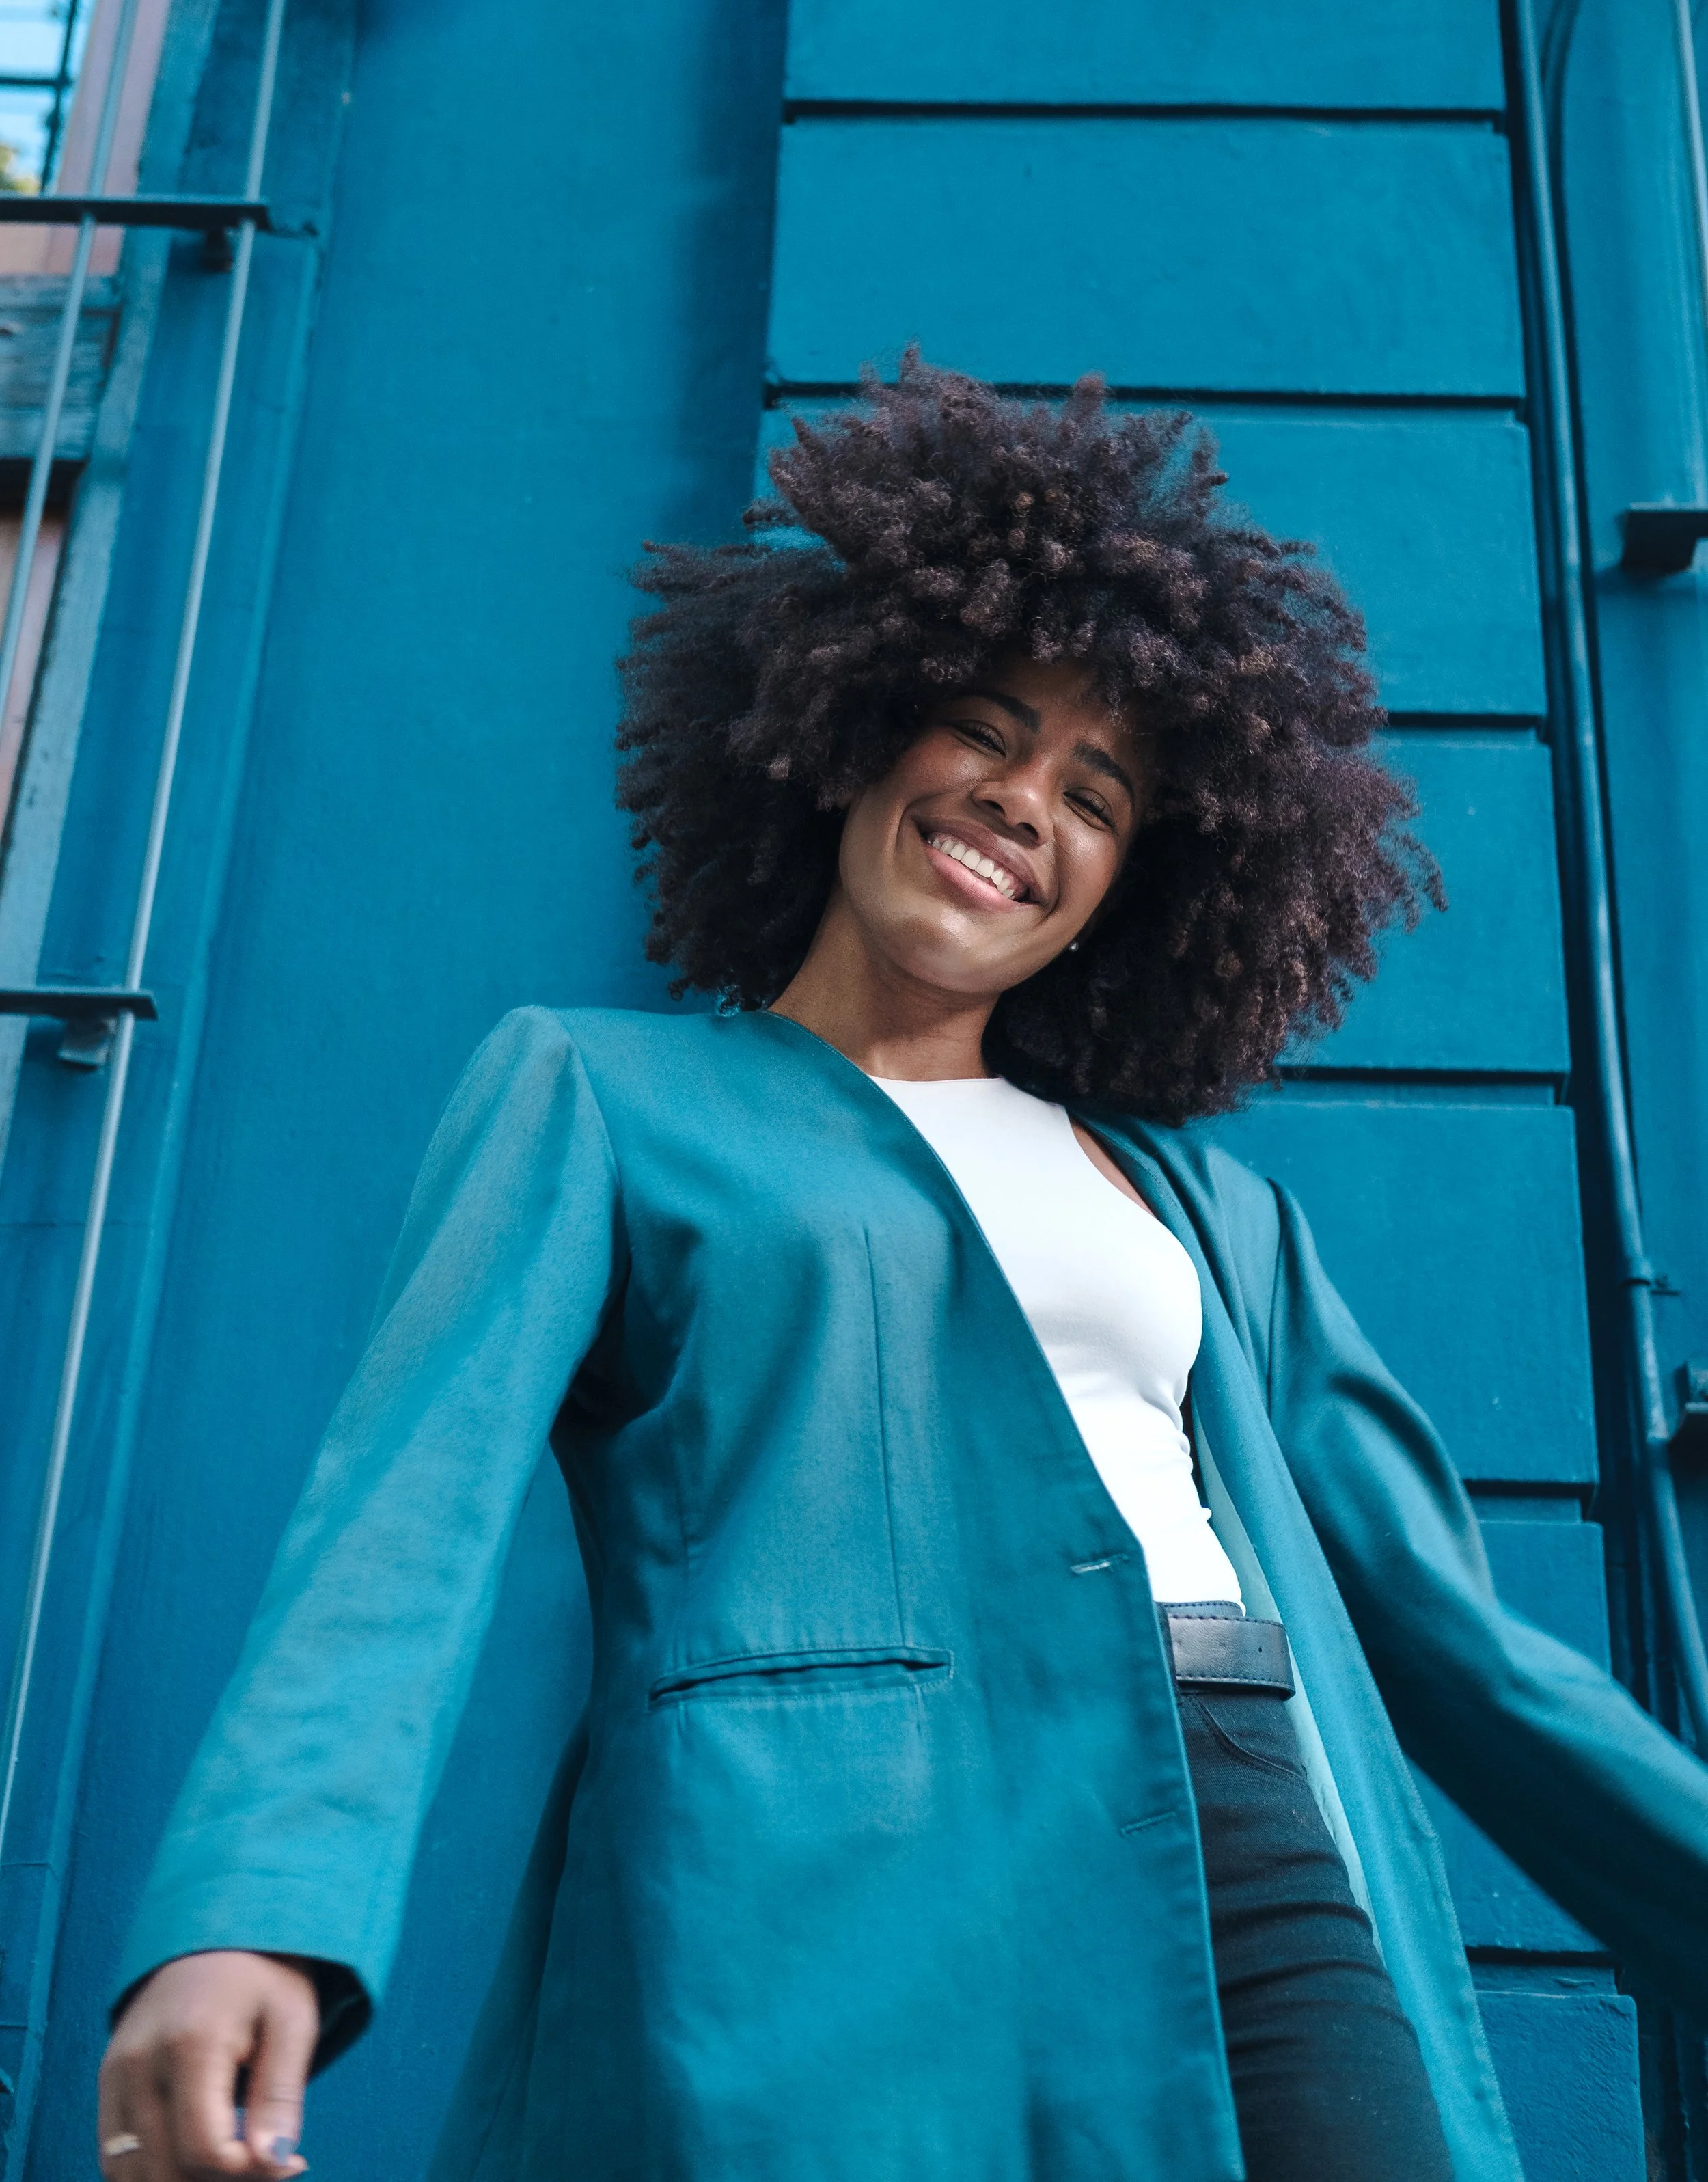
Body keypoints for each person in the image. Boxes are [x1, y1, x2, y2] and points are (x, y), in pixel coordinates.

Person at [99, 362, 1708, 2182]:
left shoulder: (1205, 1210)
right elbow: (400, 1519)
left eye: (1095, 793)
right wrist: (251, 1899)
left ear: (1130, 891)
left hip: (1253, 1832)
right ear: (853, 728)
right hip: (831, 1873)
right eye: (986, 729)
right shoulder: (610, 1092)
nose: (1027, 803)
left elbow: (1463, 1650)